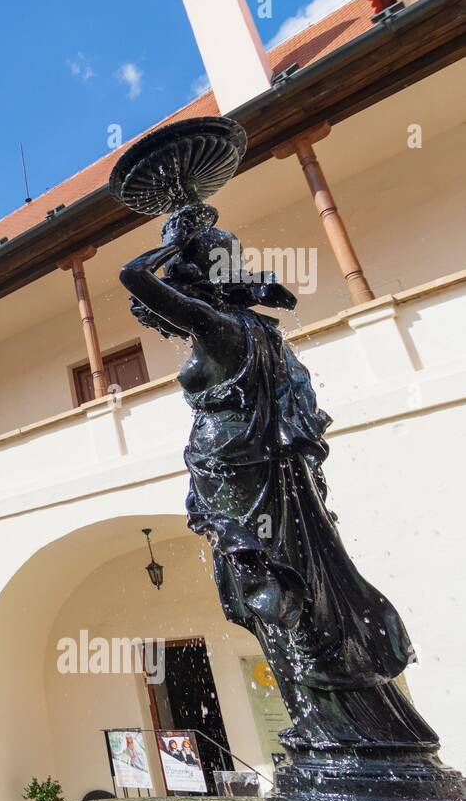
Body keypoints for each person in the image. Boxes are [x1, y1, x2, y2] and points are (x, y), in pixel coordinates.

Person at [119, 204, 436, 748]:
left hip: (234, 474)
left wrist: (177, 240)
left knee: (266, 583)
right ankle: (333, 716)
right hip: (268, 472)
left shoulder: (215, 327)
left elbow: (132, 276)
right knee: (292, 576)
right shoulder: (262, 334)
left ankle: (324, 720)